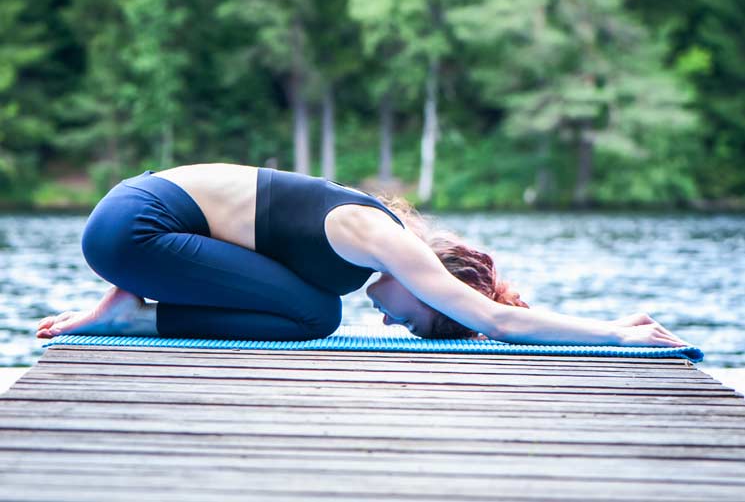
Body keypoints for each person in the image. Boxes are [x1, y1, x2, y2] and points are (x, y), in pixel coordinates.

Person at [36, 163, 688, 349]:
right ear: (432, 277)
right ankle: (129, 312)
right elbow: (500, 323)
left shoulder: (354, 255)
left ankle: (131, 302)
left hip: (137, 230)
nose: (399, 322)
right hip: (135, 226)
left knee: (312, 310)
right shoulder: (372, 235)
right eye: (422, 316)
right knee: (314, 313)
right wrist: (613, 331)